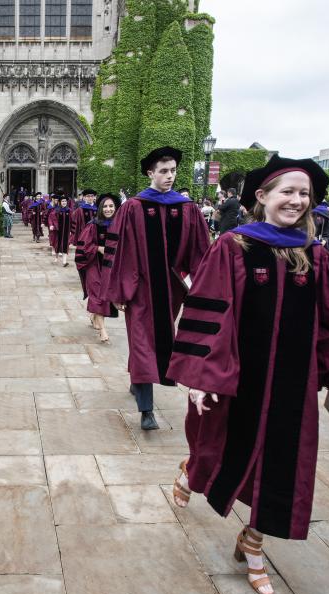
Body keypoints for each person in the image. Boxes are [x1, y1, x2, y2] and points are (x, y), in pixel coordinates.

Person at [166, 155, 329, 594]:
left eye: (304, 194)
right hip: (237, 380)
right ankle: (189, 470)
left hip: (293, 388)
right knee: (216, 449)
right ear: (262, 197)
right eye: (287, 192)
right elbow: (208, 310)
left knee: (284, 468)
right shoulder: (235, 246)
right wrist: (200, 375)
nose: (296, 200)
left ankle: (253, 544)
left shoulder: (315, 255)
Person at [103, 146, 210, 430]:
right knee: (140, 342)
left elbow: (200, 250)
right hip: (140, 289)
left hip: (172, 292)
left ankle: (136, 382)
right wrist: (120, 291)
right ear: (151, 173)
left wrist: (198, 285)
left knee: (158, 340)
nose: (170, 176)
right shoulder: (133, 208)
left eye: (173, 170)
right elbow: (120, 251)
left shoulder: (187, 208)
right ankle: (146, 410)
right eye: (164, 171)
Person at [75, 193, 119, 342]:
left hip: (111, 268)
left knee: (104, 296)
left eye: (111, 206)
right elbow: (84, 245)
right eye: (105, 206)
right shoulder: (93, 225)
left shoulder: (120, 225)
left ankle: (95, 315)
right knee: (97, 294)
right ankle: (103, 330)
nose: (108, 209)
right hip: (94, 264)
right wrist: (98, 248)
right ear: (100, 208)